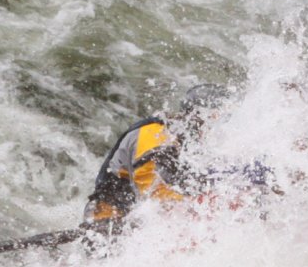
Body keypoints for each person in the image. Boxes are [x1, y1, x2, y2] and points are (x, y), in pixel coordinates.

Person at [82, 84, 269, 224]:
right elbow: (154, 192)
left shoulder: (195, 144)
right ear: (199, 118)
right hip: (109, 225)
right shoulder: (154, 135)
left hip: (147, 222)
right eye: (222, 121)